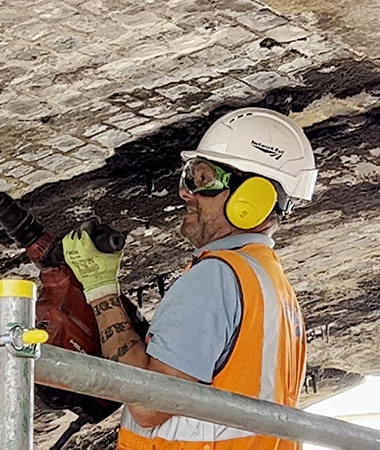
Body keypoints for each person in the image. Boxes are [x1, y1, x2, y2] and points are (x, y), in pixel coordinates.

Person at [62, 107, 318, 450]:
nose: (185, 192)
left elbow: (148, 405)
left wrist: (101, 290)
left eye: (203, 179)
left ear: (252, 199)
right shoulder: (269, 282)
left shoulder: (216, 277)